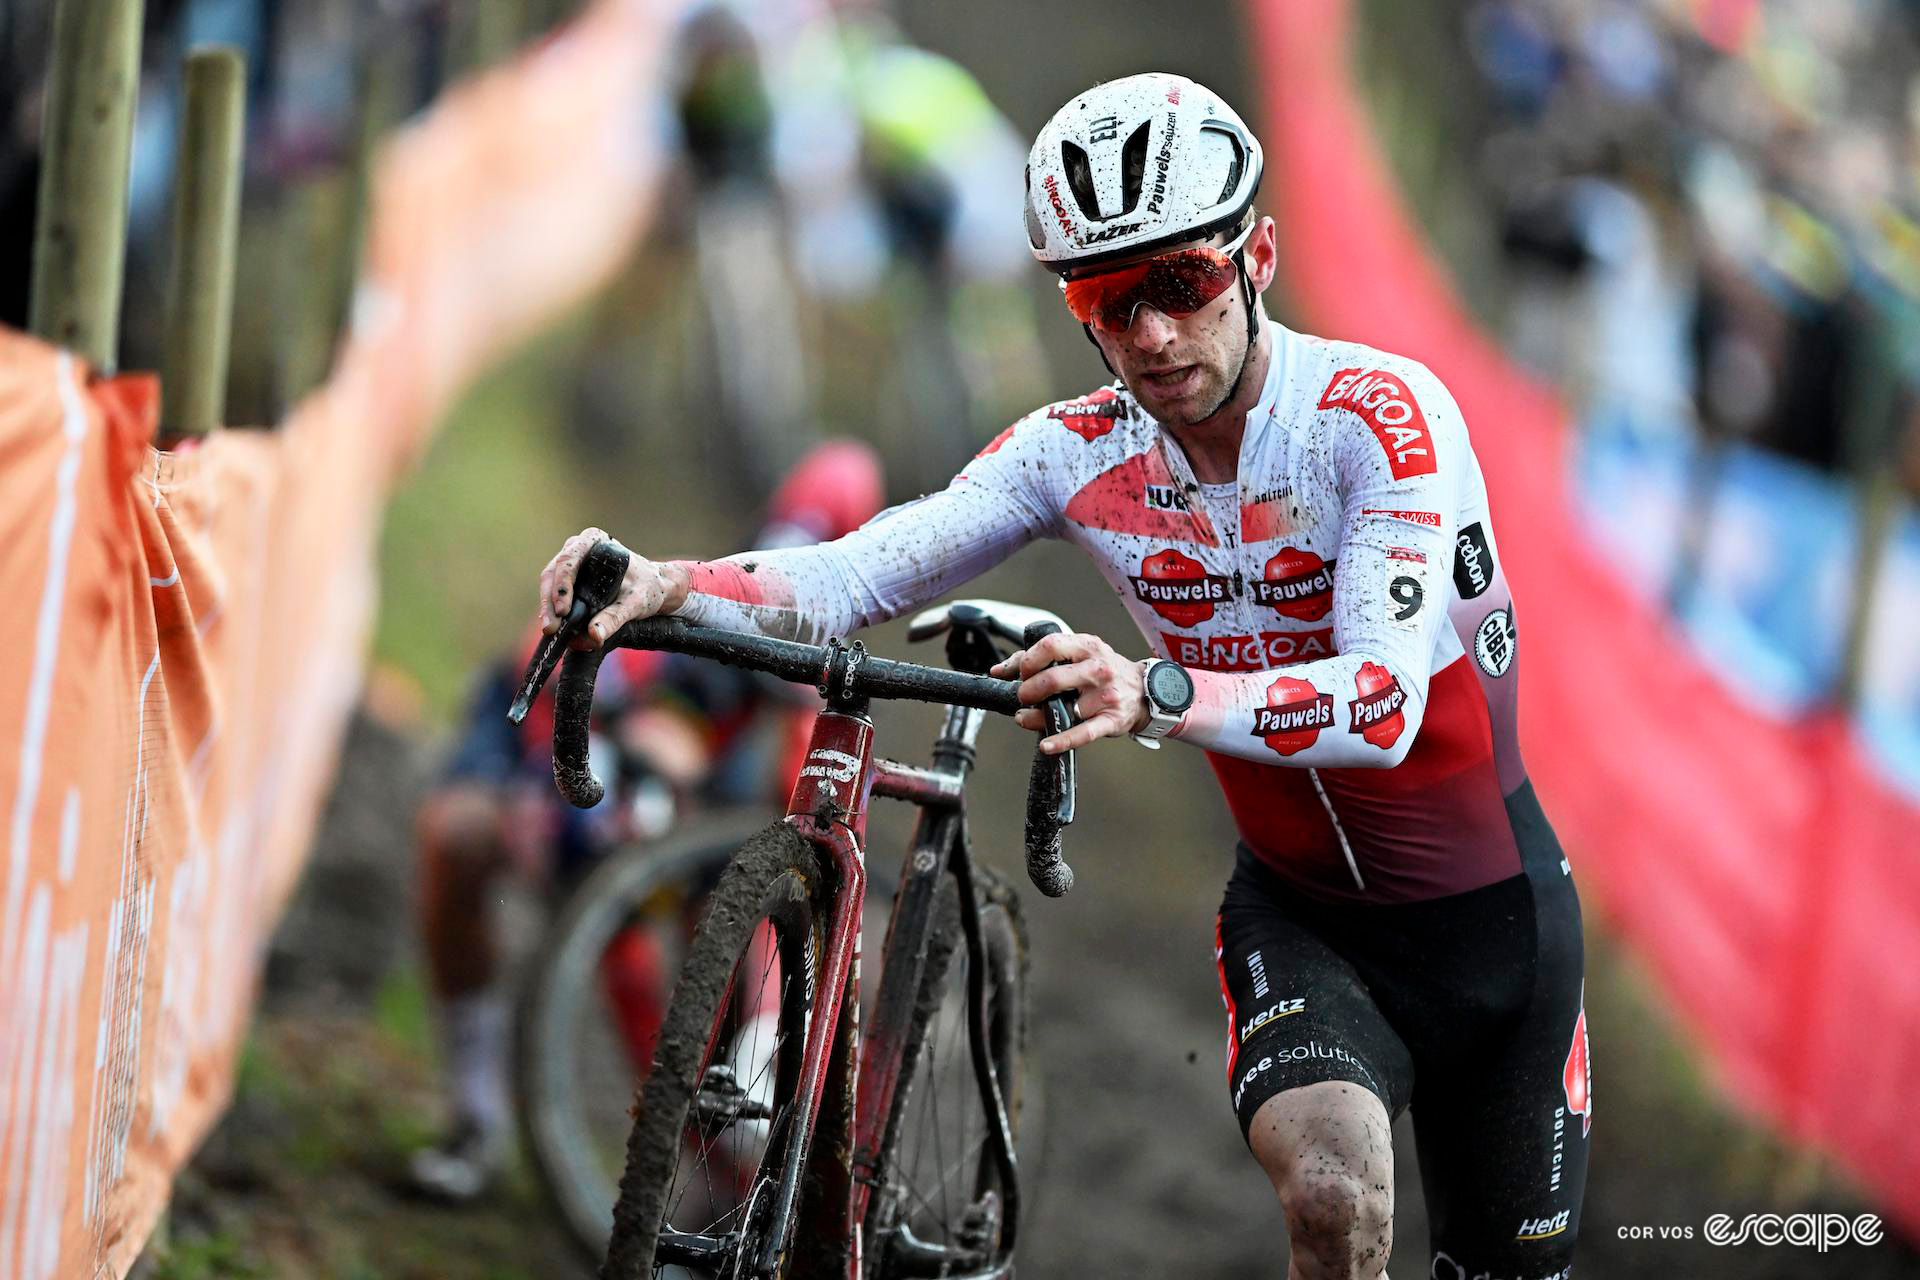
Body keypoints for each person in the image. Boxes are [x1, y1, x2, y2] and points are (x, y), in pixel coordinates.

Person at [537, 74, 1589, 1279]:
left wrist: (1160, 692)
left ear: (1261, 255)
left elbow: (1385, 706)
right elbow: (856, 569)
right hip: (1305, 921)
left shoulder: (1376, 418)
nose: (1150, 334)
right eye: (1106, 295)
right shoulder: (1077, 448)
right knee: (1336, 1194)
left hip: (1498, 927)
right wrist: (669, 581)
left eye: (1182, 284)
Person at [409, 440, 883, 1202]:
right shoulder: (594, 709)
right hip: (546, 742)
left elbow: (847, 466)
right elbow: (630, 987)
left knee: (752, 903)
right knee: (460, 836)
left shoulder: (762, 687)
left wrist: (765, 1027)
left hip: (705, 740)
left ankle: (739, 1183)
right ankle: (477, 1114)